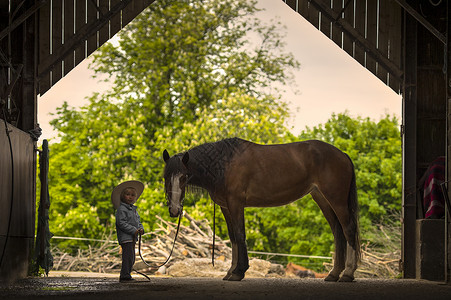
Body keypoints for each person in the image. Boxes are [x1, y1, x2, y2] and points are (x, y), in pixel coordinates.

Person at [111, 180, 145, 282]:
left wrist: (141, 228)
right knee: (128, 257)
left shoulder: (134, 210)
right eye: (127, 194)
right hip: (126, 238)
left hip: (132, 238)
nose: (130, 197)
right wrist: (134, 230)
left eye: (133, 195)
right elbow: (121, 223)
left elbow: (138, 221)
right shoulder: (121, 209)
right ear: (123, 196)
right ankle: (125, 275)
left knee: (132, 257)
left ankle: (127, 274)